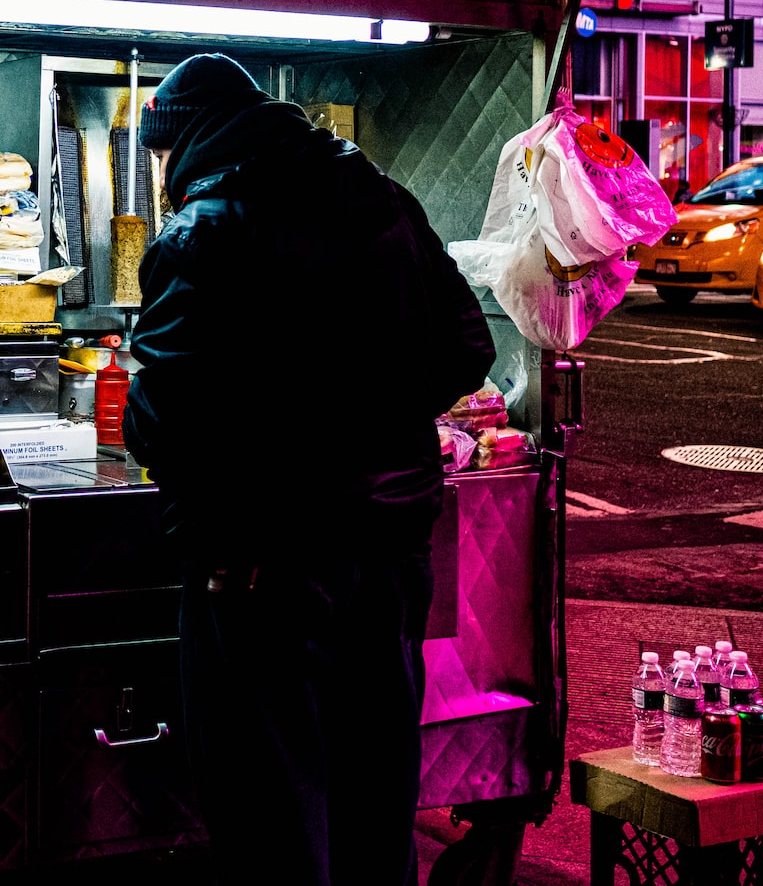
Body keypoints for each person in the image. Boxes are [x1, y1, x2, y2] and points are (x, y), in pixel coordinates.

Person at [124, 53, 496, 886]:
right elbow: (470, 347)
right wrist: (372, 413)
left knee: (271, 811)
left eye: (157, 156)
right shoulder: (383, 202)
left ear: (182, 141)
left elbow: (167, 419)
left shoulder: (206, 230)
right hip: (391, 555)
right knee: (374, 794)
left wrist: (141, 408)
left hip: (264, 566)